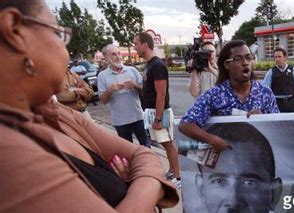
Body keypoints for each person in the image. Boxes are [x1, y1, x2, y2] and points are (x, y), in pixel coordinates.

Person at [0, 1, 196, 213]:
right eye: (58, 34)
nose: (66, 54)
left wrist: (128, 203)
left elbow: (145, 158)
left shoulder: (56, 115)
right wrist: (150, 210)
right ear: (14, 31)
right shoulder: (9, 153)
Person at [179, 40, 280, 152]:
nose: (245, 62)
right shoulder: (215, 94)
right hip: (227, 162)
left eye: (248, 57)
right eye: (238, 59)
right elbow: (185, 124)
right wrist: (212, 140)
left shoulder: (264, 92)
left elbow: (279, 127)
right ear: (227, 65)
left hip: (258, 160)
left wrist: (264, 119)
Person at [133, 32, 181, 187]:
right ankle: (172, 171)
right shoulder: (150, 65)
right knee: (164, 144)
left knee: (168, 144)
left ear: (145, 45)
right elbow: (151, 90)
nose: (135, 47)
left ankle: (178, 176)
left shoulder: (158, 65)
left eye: (136, 44)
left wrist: (158, 119)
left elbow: (161, 94)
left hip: (160, 113)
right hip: (152, 113)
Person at [98, 44, 149, 146]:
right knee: (128, 149)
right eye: (113, 54)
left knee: (146, 146)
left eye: (119, 53)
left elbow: (146, 91)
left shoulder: (132, 70)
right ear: (106, 57)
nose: (118, 57)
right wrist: (110, 91)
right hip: (120, 120)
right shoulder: (102, 76)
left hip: (138, 116)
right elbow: (103, 101)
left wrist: (135, 85)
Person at [263, 47, 294, 112]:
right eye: (275, 57)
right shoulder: (271, 72)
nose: (277, 59)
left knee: (290, 122)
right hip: (276, 104)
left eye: (279, 57)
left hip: (290, 103)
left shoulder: (292, 70)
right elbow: (265, 89)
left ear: (285, 57)